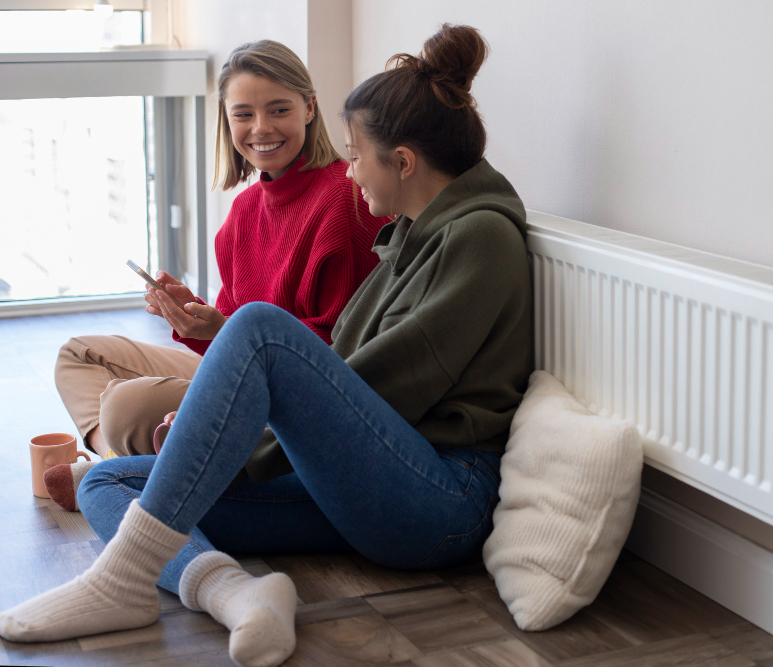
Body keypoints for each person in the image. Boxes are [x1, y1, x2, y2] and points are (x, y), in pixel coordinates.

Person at [0, 23, 532, 667]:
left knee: (255, 326)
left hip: (439, 499)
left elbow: (388, 389)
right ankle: (240, 598)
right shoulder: (412, 235)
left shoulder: (479, 238)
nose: (350, 168)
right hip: (363, 482)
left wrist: (237, 447)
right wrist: (215, 437)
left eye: (357, 153)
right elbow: (350, 384)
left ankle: (121, 579)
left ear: (404, 162)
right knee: (108, 483)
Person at [52, 39, 390, 463]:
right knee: (77, 354)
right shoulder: (243, 213)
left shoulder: (348, 199)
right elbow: (225, 338)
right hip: (239, 372)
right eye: (243, 114)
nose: (261, 128)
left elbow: (346, 352)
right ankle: (114, 464)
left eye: (279, 109)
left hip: (298, 394)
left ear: (309, 108)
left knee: (124, 406)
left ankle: (126, 469)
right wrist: (193, 314)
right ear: (227, 122)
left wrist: (222, 330)